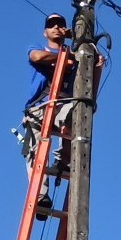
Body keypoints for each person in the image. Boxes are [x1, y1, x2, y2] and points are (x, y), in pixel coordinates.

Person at [19, 13, 74, 171]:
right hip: (38, 109)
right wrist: (65, 57)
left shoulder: (76, 56)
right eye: (51, 25)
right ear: (45, 32)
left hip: (62, 106)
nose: (56, 27)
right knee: (34, 154)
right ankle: (42, 196)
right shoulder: (38, 48)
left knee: (77, 112)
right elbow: (36, 57)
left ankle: (64, 161)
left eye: (60, 24)